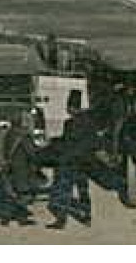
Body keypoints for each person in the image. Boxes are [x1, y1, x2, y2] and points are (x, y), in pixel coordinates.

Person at [47, 90, 95, 229]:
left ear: (71, 107)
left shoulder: (69, 124)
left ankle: (61, 220)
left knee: (65, 190)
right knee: (83, 189)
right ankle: (87, 217)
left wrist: (54, 143)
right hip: (85, 161)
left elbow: (66, 143)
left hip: (71, 161)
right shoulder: (89, 122)